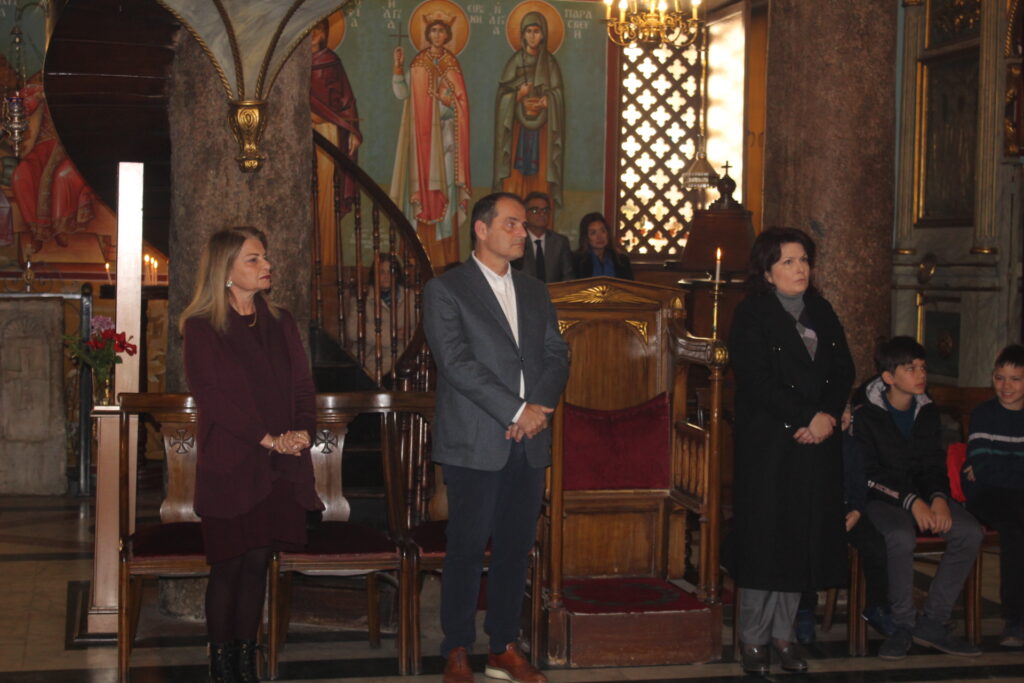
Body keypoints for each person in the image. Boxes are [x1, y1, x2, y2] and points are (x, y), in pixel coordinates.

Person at [422, 192, 569, 683]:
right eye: (511, 224)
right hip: (475, 438)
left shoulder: (534, 290)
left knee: (514, 547)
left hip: (529, 438)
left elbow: (556, 354)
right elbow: (456, 363)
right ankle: (457, 647)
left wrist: (536, 410)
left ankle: (503, 646)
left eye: (523, 225)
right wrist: (516, 410)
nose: (522, 232)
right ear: (481, 230)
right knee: (466, 548)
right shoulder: (447, 290)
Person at [180, 227, 324, 682]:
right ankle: (221, 667)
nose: (267, 266)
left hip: (279, 464)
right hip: (231, 462)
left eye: (265, 257)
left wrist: (302, 431)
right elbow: (213, 397)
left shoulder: (280, 321)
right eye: (254, 259)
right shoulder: (201, 327)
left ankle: (247, 663)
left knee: (259, 563)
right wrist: (266, 438)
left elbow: (302, 385)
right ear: (226, 269)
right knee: (228, 565)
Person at [726, 226, 854, 675]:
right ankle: (753, 639)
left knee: (801, 540)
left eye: (804, 260)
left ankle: (784, 637)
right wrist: (805, 416)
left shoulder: (821, 309)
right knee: (766, 543)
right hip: (770, 446)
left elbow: (843, 368)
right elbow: (757, 381)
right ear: (767, 271)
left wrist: (828, 415)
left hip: (815, 444)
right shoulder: (752, 314)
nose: (800, 269)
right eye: (788, 262)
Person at [854, 336, 983, 659]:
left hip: (923, 495)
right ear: (888, 377)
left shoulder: (926, 410)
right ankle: (902, 624)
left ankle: (933, 622)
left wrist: (938, 498)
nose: (921, 374)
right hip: (881, 498)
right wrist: (912, 501)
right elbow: (869, 473)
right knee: (900, 536)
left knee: (969, 532)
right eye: (910, 368)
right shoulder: (865, 414)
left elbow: (932, 464)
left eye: (923, 367)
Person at [795, 399, 894, 644]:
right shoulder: (809, 443)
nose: (842, 415)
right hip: (816, 513)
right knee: (806, 544)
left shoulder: (852, 446)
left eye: (847, 409)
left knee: (876, 545)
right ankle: (805, 608)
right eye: (836, 409)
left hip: (848, 512)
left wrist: (857, 511)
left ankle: (876, 604)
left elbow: (860, 484)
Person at [390, 9, 471, 271]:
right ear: (427, 34)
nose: (437, 35)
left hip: (445, 139)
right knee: (420, 190)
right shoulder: (419, 63)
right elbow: (403, 94)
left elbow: (460, 104)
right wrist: (398, 67)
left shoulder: (452, 65)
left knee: (445, 189)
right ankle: (417, 255)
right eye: (433, 30)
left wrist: (445, 100)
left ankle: (444, 255)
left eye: (441, 30)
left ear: (447, 35)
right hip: (422, 142)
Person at [962, 343, 1024, 648]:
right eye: (1000, 378)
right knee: (1016, 528)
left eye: (1015, 379)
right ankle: (1015, 618)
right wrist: (1003, 468)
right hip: (986, 496)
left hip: (1016, 496)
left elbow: (987, 467)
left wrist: (997, 467)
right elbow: (983, 470)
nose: (1006, 386)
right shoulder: (985, 414)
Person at [493, 10, 565, 206]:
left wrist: (548, 101)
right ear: (523, 35)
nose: (533, 36)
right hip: (516, 130)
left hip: (543, 133)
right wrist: (518, 95)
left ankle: (540, 213)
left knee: (540, 181)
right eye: (529, 31)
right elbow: (502, 95)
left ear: (543, 35)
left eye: (537, 31)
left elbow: (557, 94)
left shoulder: (550, 63)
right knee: (514, 182)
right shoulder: (516, 61)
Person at [310, 17, 361, 255]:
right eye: (308, 31)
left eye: (318, 30)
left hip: (327, 133)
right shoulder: (293, 65)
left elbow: (346, 100)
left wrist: (352, 131)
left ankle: (326, 256)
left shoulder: (331, 61)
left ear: (325, 34)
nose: (313, 36)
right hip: (301, 134)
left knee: (325, 193)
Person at [344, 253, 410, 381]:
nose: (386, 276)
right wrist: (391, 334)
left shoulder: (410, 298)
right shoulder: (362, 297)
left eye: (390, 271)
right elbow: (352, 330)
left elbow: (417, 329)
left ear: (397, 274)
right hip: (371, 362)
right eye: (381, 272)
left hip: (400, 363)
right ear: (374, 275)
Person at [510, 191, 574, 282]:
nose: (542, 214)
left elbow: (568, 276)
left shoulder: (560, 242)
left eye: (545, 210)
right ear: (525, 213)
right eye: (535, 210)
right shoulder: (517, 239)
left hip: (554, 290)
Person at [573, 212, 633, 280]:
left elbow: (629, 285)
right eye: (593, 233)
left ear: (608, 233)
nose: (599, 237)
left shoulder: (621, 259)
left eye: (603, 231)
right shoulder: (577, 261)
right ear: (586, 237)